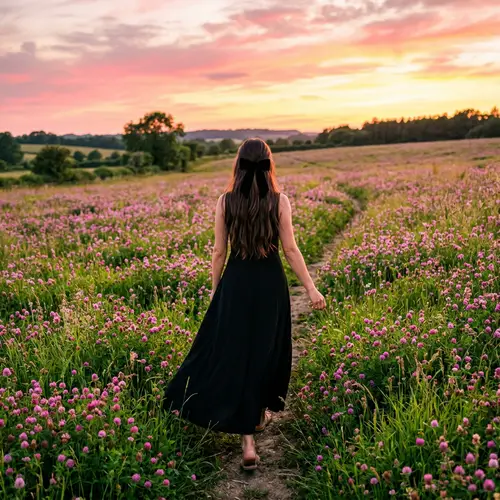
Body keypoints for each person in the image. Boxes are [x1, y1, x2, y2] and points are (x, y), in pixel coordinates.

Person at [164, 138, 326, 470]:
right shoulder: (280, 201)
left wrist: (215, 290)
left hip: (236, 284)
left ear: (237, 164)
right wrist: (310, 288)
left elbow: (218, 252)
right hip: (270, 285)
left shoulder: (225, 201)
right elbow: (291, 250)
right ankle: (255, 417)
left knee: (234, 352)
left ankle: (247, 442)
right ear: (269, 164)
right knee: (264, 350)